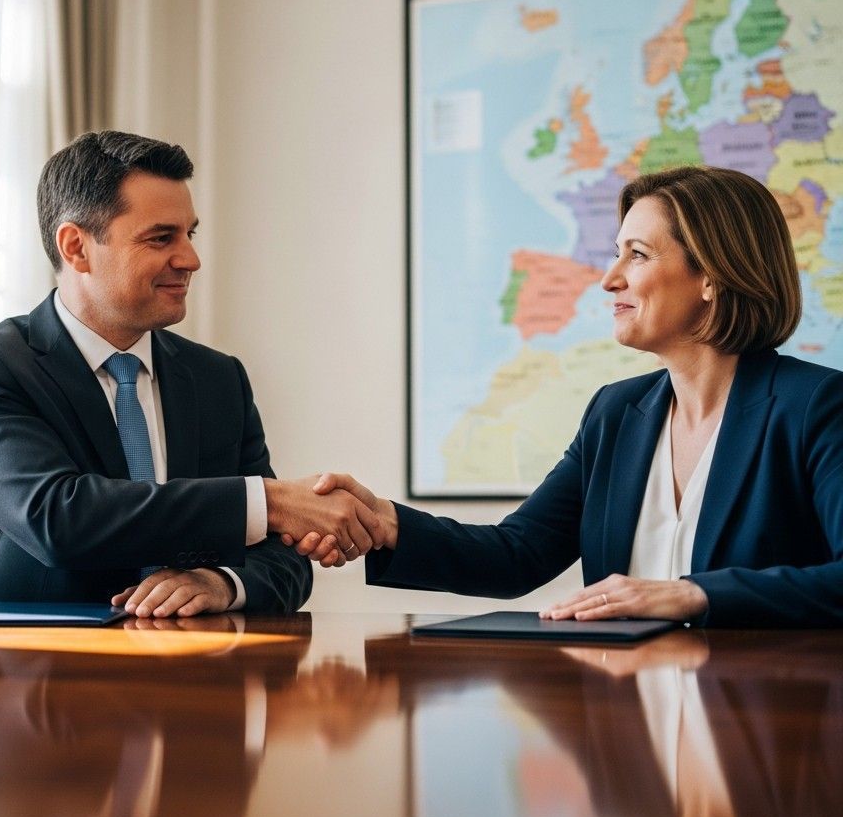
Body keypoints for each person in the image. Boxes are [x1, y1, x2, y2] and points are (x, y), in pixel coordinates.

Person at [291, 166, 843, 627]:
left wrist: (695, 594)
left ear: (712, 277)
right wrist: (384, 521)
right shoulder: (615, 414)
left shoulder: (816, 406)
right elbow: (517, 555)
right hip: (625, 714)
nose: (609, 278)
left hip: (763, 717)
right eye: (616, 253)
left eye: (638, 254)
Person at [0, 130, 383, 616]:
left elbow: (283, 556)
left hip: (193, 657)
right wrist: (268, 502)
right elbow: (57, 518)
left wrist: (223, 583)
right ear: (76, 247)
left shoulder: (219, 379)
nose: (191, 260)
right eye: (162, 238)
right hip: (27, 657)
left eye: (190, 235)